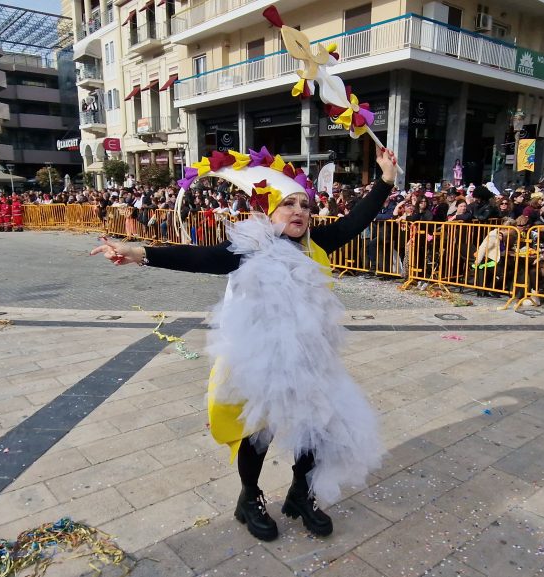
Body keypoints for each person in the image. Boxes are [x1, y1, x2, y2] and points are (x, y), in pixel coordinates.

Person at [91, 147, 397, 541]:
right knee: (257, 432)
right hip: (261, 359)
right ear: (269, 212)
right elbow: (201, 258)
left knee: (319, 425)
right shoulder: (250, 248)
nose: (299, 210)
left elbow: (354, 222)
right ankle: (249, 498)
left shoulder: (316, 244)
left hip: (309, 357)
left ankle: (301, 494)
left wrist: (385, 181)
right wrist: (138, 252)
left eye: (303, 204)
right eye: (288, 204)